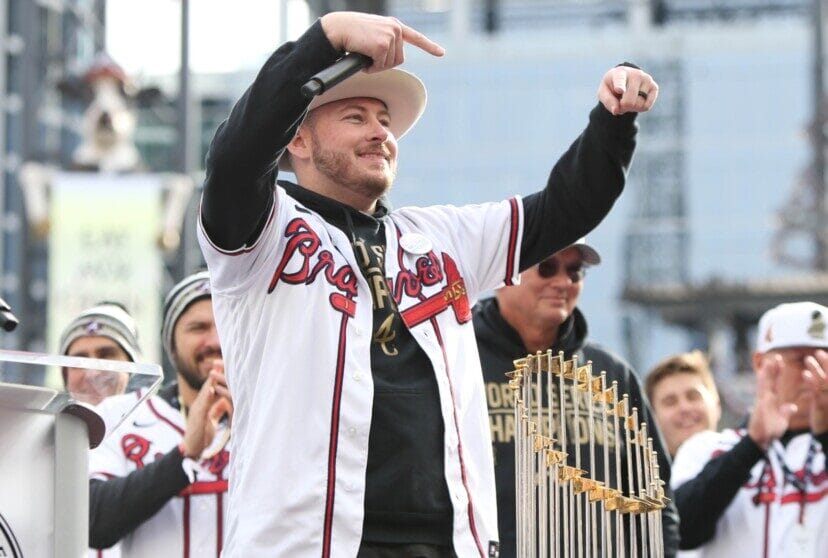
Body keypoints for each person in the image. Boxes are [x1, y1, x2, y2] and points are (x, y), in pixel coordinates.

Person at [197, 11, 657, 557]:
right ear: (297, 138)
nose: (380, 133)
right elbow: (236, 157)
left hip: (445, 542)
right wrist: (326, 38)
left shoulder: (436, 237)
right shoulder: (263, 232)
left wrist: (612, 119)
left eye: (385, 121)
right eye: (355, 116)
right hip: (308, 543)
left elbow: (565, 208)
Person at [473, 239, 679, 557]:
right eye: (546, 267)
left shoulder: (613, 374)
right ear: (501, 276)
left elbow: (654, 498)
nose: (563, 282)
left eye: (575, 271)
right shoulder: (458, 362)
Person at [87, 271, 233, 557]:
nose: (214, 341)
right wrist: (184, 455)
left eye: (226, 323)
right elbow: (94, 521)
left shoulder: (273, 419)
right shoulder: (121, 415)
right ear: (172, 347)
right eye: (198, 327)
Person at [671, 301, 828, 556]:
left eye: (824, 359)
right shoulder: (708, 447)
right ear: (760, 363)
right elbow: (679, 531)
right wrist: (751, 446)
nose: (816, 372)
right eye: (801, 360)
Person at [59, 301, 141, 405]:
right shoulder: (39, 420)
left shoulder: (164, 419)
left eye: (106, 356)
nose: (92, 374)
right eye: (78, 361)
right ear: (65, 375)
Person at [645, 350, 722, 458]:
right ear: (652, 418)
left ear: (717, 404)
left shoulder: (752, 466)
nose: (684, 408)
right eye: (670, 402)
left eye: (693, 396)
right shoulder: (637, 473)